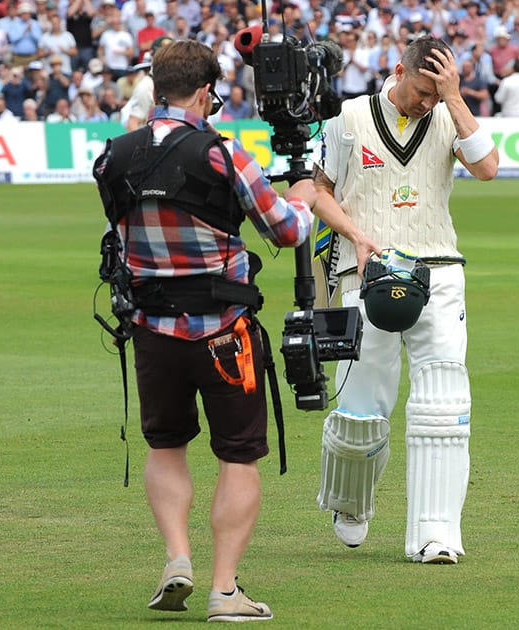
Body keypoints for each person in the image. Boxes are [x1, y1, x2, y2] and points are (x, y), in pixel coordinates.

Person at [92, 39, 316, 621]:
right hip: (223, 330)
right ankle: (223, 588)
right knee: (238, 457)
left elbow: (123, 231)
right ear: (205, 92)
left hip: (151, 329)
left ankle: (177, 559)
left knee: (165, 446)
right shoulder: (225, 154)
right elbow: (287, 231)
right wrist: (305, 199)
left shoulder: (114, 155)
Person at [310, 35, 498, 566]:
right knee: (362, 408)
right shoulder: (346, 117)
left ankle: (436, 534)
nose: (426, 103)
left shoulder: (447, 115)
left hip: (437, 270)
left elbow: (488, 168)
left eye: (435, 94)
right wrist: (356, 234)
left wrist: (454, 98)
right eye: (421, 91)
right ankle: (350, 503)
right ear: (398, 70)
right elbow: (316, 190)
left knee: (444, 403)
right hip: (364, 271)